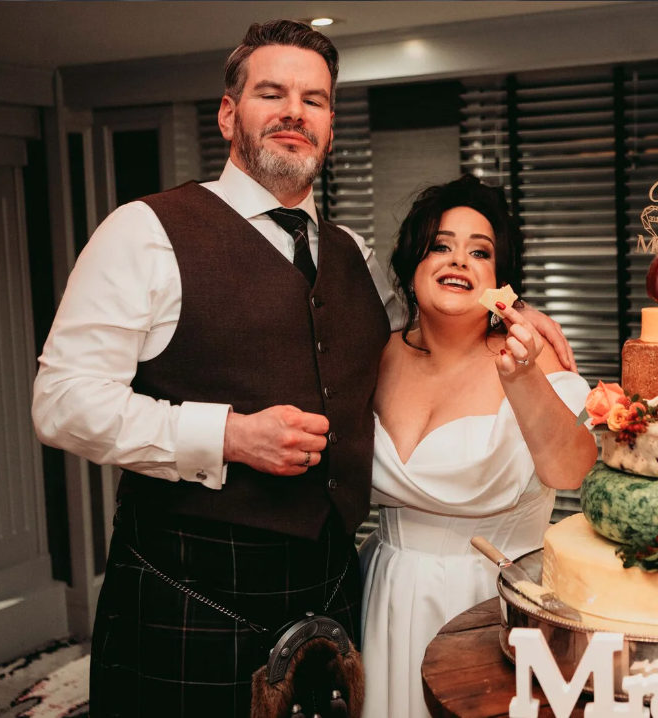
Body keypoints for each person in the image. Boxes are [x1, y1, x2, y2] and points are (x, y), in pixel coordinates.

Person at [31, 21, 575, 717]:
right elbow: (61, 402)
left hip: (334, 593)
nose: (294, 112)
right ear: (230, 113)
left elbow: (434, 321)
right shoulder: (143, 233)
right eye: (271, 93)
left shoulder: (353, 255)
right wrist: (227, 436)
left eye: (314, 99)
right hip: (188, 593)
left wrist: (517, 310)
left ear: (329, 124)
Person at [359, 176, 598, 718]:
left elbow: (571, 470)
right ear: (411, 265)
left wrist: (522, 377)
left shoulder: (533, 358)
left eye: (479, 251)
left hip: (488, 606)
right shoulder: (374, 356)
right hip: (383, 598)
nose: (458, 260)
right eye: (441, 245)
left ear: (501, 282)